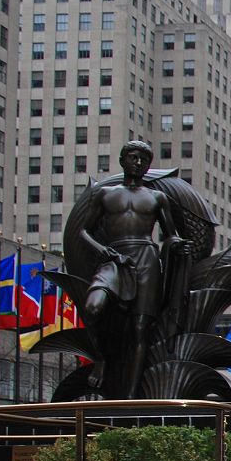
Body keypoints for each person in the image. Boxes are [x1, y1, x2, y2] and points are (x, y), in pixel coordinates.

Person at [79, 140, 190, 398]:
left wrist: (177, 245)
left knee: (141, 328)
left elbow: (169, 234)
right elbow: (84, 230)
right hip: (114, 258)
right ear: (123, 160)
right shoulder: (105, 194)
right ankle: (100, 357)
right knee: (93, 307)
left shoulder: (157, 198)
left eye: (143, 159)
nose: (138, 163)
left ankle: (130, 396)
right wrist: (101, 249)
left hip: (146, 259)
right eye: (133, 157)